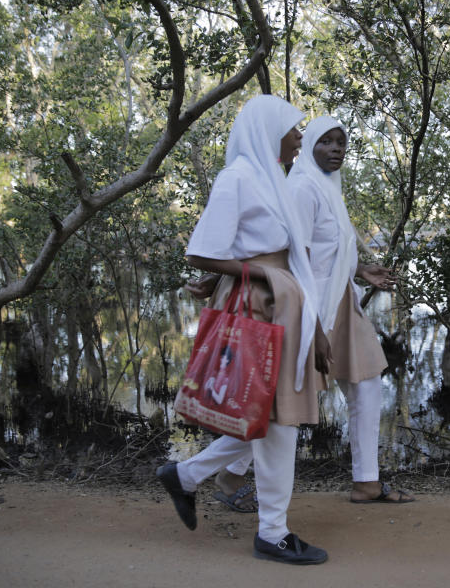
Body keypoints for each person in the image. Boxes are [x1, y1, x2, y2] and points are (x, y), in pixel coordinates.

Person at [197, 116, 414, 505]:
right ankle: (220, 475)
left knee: (366, 386)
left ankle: (366, 481)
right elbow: (288, 255)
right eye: (325, 142)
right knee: (282, 403)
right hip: (306, 306)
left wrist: (361, 270)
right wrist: (307, 319)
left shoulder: (327, 187)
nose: (335, 149)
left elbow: (330, 250)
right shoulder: (300, 188)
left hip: (339, 299)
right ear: (309, 147)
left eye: (341, 142)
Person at [156, 94, 332, 565]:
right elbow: (202, 250)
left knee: (272, 417)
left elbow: (291, 254)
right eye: (295, 127)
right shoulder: (236, 177)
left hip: (287, 302)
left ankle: (185, 477)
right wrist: (257, 274)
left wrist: (315, 325)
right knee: (279, 423)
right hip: (260, 303)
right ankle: (272, 532)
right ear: (268, 130)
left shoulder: (275, 179)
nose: (300, 136)